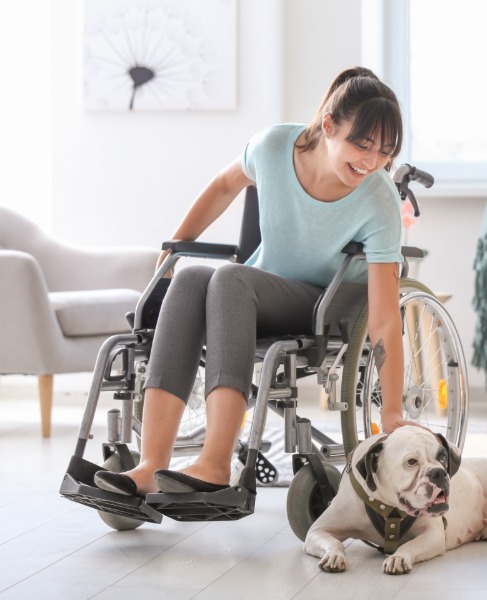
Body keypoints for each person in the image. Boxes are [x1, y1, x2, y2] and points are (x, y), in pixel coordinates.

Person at [94, 67, 417, 498]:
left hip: (326, 302)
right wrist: (177, 245)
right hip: (260, 289)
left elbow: (381, 318)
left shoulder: (377, 199)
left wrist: (391, 410)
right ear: (328, 125)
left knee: (230, 278)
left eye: (385, 151)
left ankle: (215, 463)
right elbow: (225, 184)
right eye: (363, 143)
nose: (372, 161)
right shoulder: (273, 148)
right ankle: (152, 464)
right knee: (189, 278)